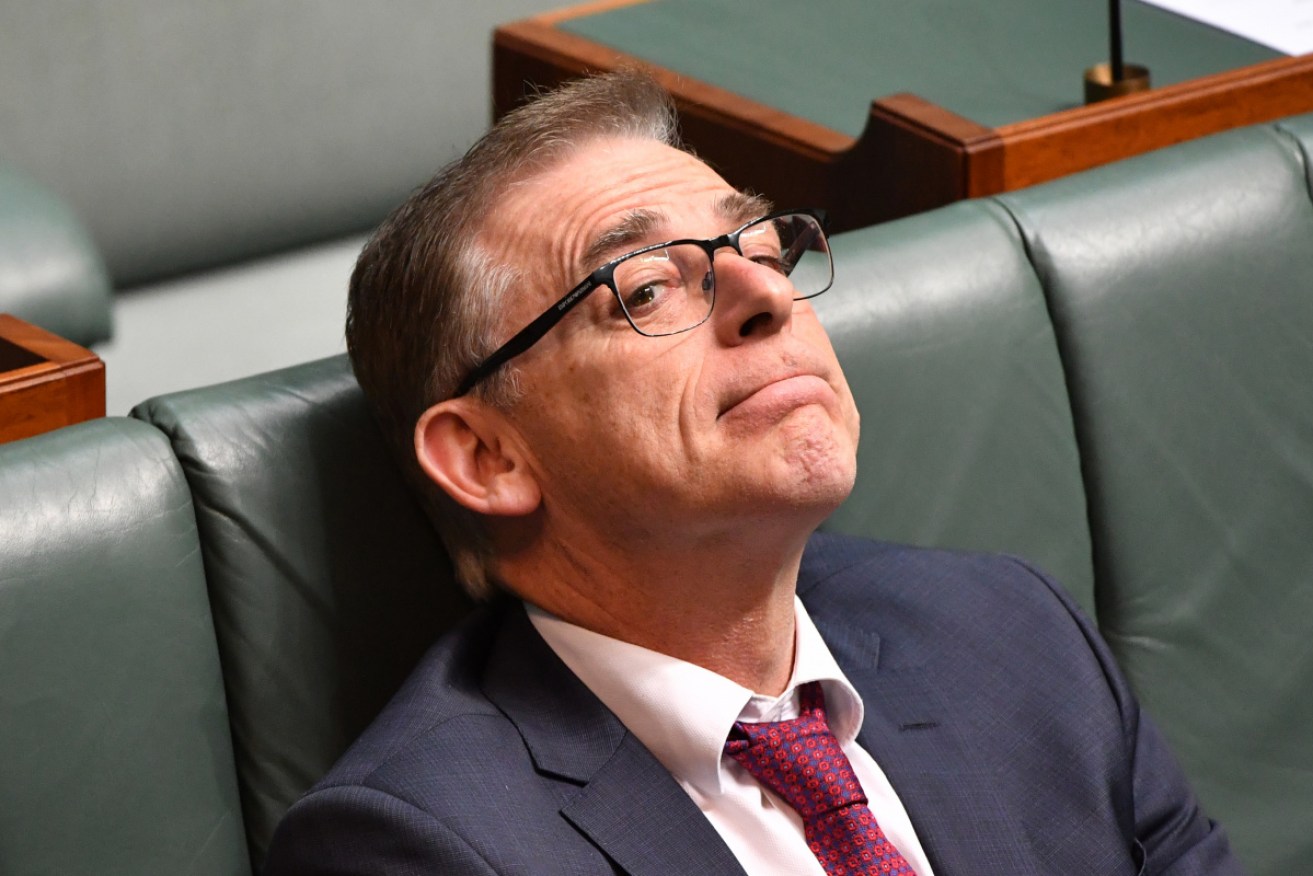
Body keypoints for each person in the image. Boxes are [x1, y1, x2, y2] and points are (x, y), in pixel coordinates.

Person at [263, 71, 1242, 875]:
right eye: (644, 286)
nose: (765, 295)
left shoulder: (1009, 631)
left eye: (762, 246)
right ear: (488, 457)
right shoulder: (417, 847)